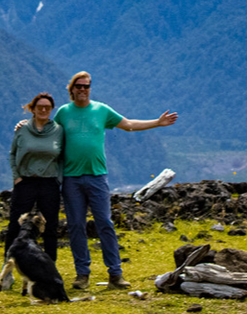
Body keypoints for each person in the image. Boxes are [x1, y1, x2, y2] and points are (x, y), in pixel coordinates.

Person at [53, 71, 177, 290]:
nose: (83, 90)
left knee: (105, 224)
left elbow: (128, 124)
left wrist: (157, 123)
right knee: (75, 226)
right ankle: (82, 275)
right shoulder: (63, 113)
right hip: (71, 179)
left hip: (97, 176)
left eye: (87, 86)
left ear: (90, 88)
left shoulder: (101, 110)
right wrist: (26, 126)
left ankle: (115, 274)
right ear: (71, 89)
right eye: (79, 86)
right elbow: (49, 135)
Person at [5, 91, 65, 263]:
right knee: (15, 226)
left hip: (49, 183)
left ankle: (49, 267)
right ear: (33, 109)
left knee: (50, 227)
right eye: (40, 107)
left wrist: (58, 180)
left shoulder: (58, 131)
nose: (44, 110)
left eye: (47, 107)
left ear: (52, 109)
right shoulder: (22, 129)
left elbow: (62, 157)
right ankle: (8, 268)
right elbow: (12, 154)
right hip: (25, 182)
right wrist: (16, 177)